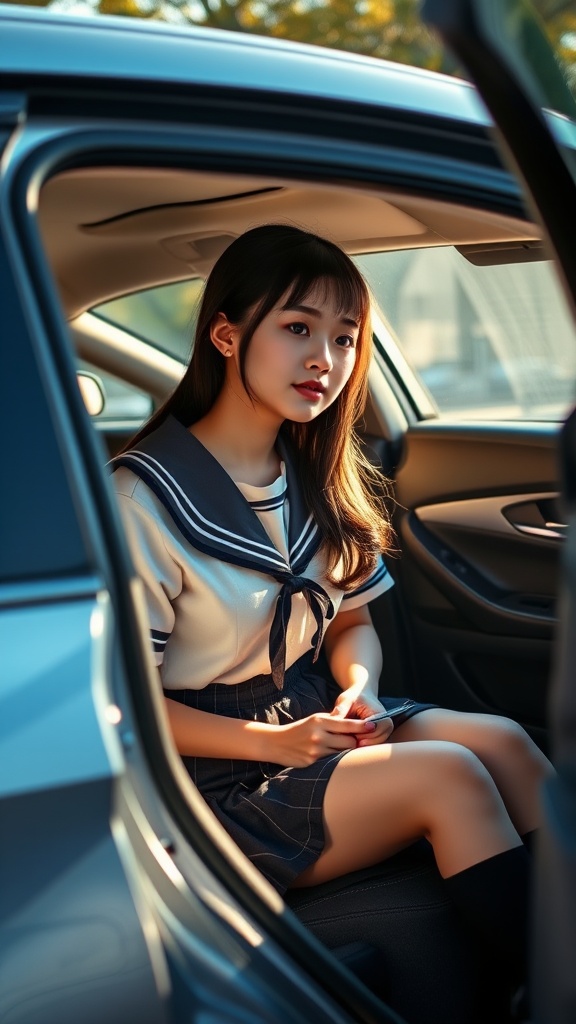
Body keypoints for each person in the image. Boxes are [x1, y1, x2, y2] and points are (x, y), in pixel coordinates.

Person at [112, 224, 553, 996]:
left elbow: (352, 624)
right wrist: (275, 744)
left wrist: (360, 688)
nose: (326, 359)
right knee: (448, 774)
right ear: (225, 334)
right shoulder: (143, 496)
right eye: (297, 329)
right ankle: (550, 990)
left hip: (315, 715)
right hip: (207, 777)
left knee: (505, 743)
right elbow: (128, 710)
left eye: (345, 338)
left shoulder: (315, 471)